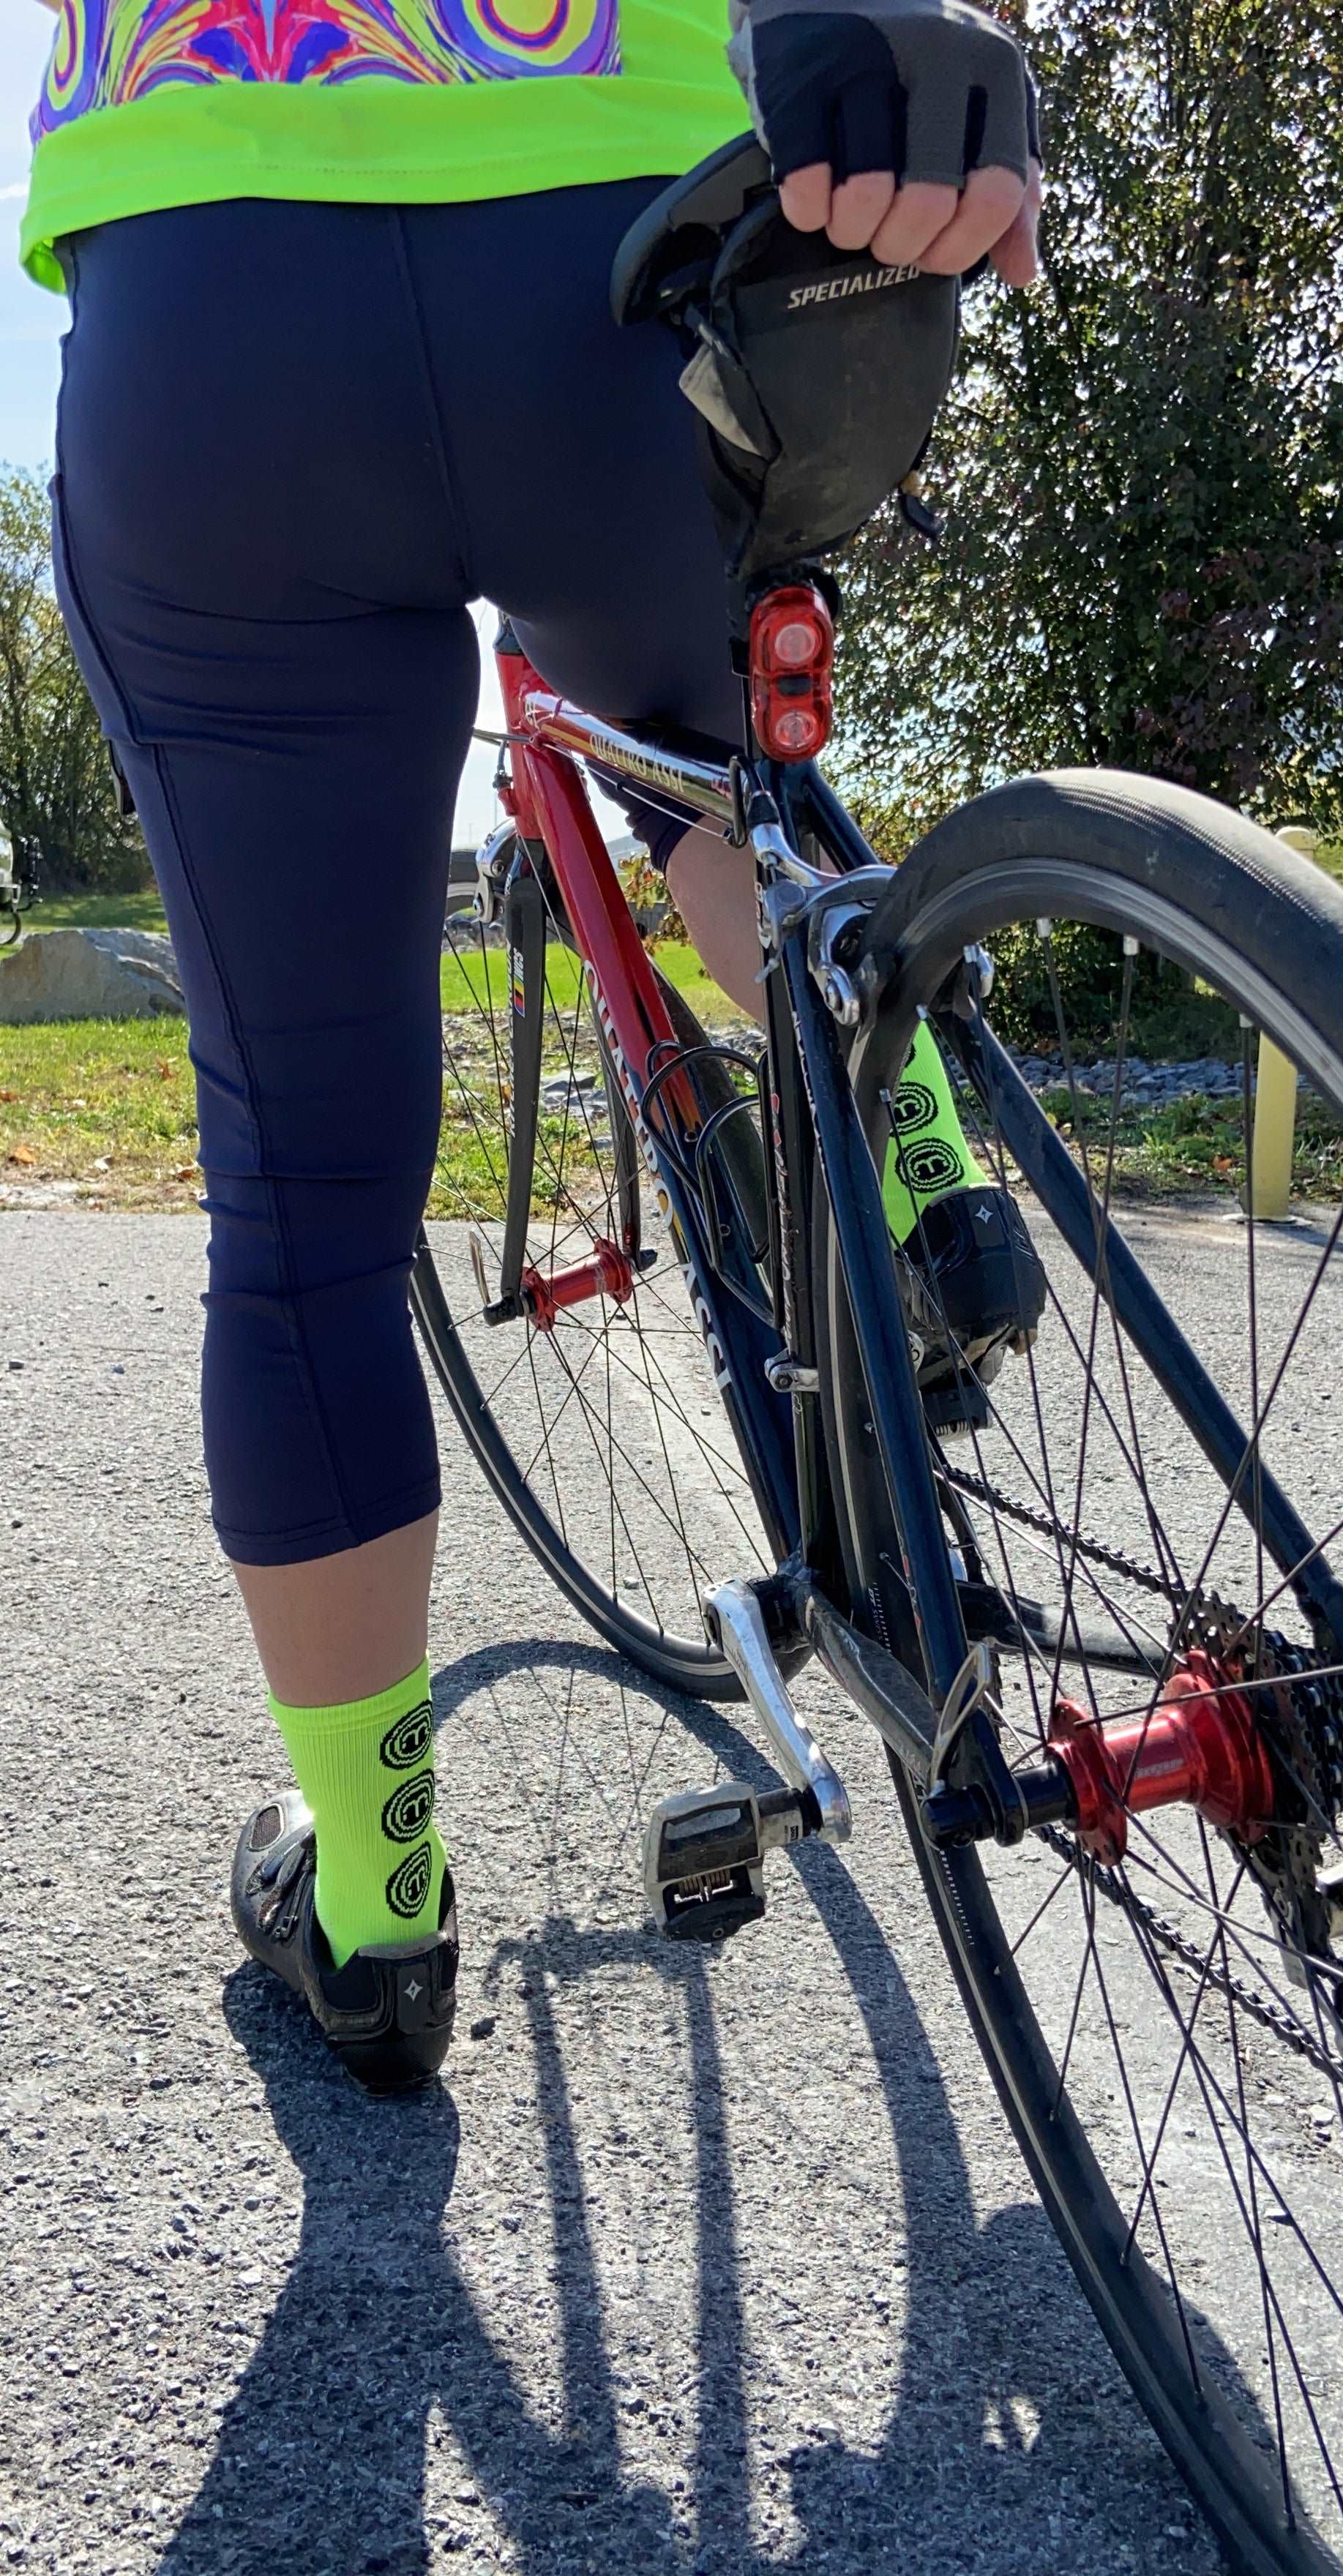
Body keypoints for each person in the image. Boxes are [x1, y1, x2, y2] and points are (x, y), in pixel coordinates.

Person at [21, 0, 1043, 2092]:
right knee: (718, 788)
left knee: (304, 1206)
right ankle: (932, 1185)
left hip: (217, 273)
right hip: (616, 240)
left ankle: (377, 1911)